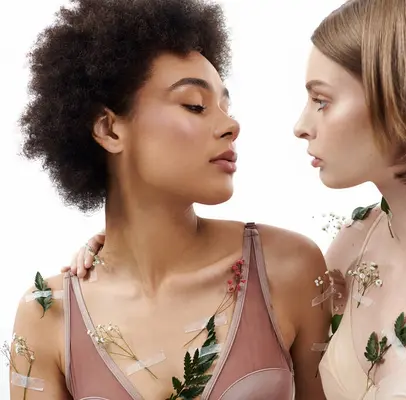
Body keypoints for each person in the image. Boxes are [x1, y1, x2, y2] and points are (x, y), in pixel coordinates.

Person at [70, 0, 406, 399]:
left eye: (322, 101)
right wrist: (117, 248)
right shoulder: (353, 247)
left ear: (405, 100)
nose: (301, 126)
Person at [9, 0, 328, 399]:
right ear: (109, 130)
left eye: (225, 107)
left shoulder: (289, 268)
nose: (231, 125)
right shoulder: (47, 313)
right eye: (195, 105)